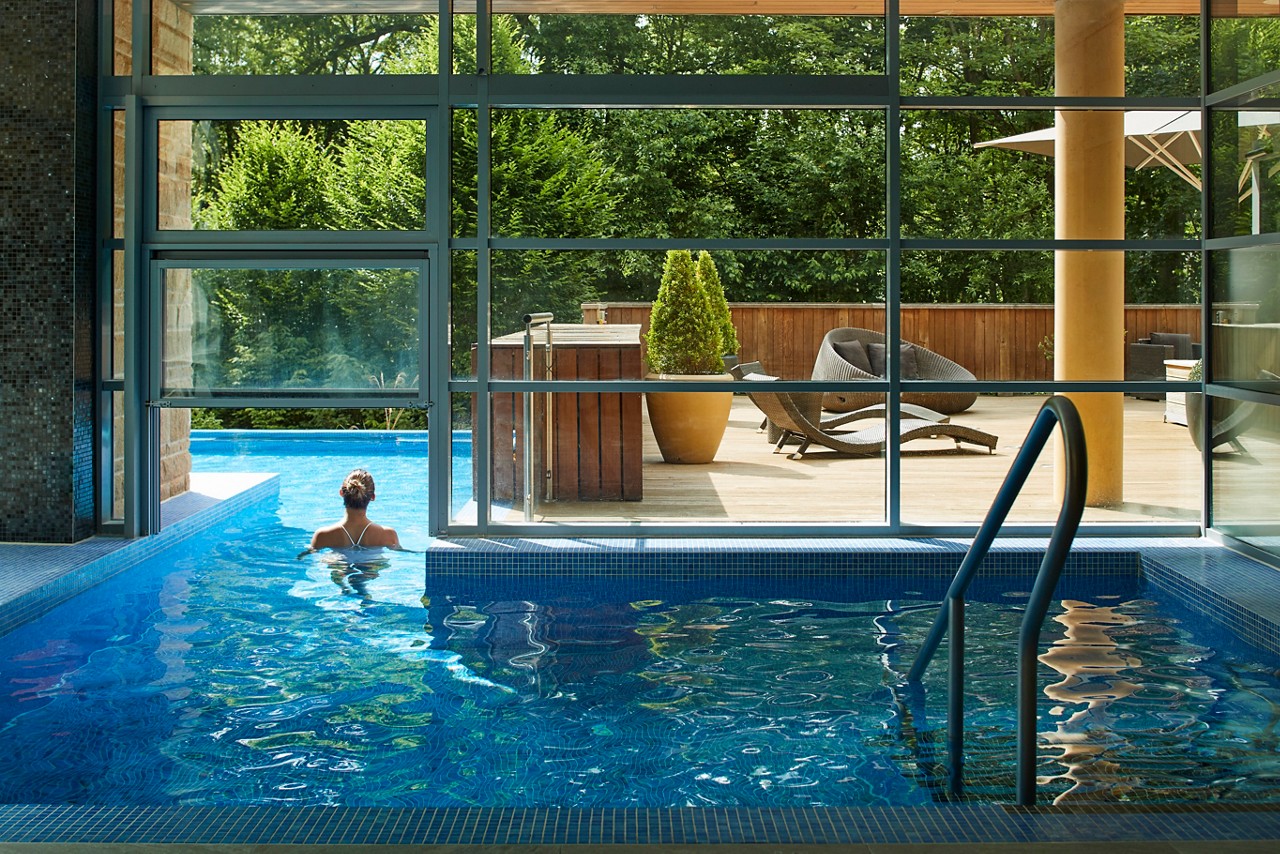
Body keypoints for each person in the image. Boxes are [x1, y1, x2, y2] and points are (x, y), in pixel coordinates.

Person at [299, 469, 403, 561]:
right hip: (371, 562)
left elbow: (304, 556)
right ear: (372, 497)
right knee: (379, 561)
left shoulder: (323, 535)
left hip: (340, 560)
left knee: (331, 559)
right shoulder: (388, 534)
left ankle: (339, 574)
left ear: (341, 493)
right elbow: (400, 552)